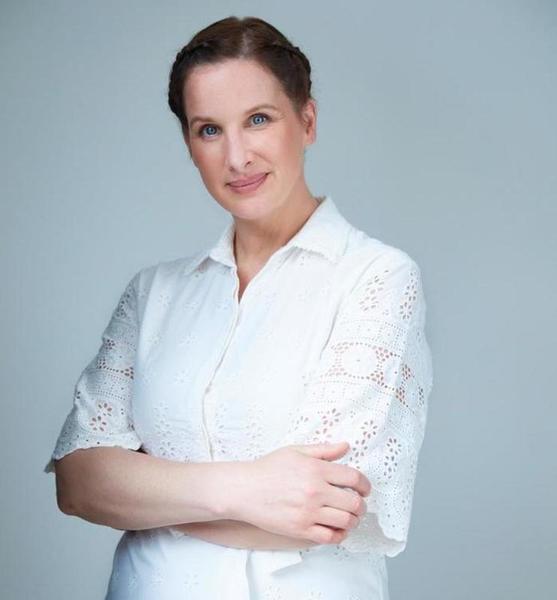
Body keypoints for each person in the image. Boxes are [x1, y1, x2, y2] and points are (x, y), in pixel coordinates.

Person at [44, 15, 433, 600]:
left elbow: (326, 509)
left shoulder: (375, 278)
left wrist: (145, 495)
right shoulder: (153, 294)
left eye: (258, 119)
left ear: (307, 121)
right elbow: (78, 484)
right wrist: (250, 490)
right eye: (209, 129)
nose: (236, 156)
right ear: (189, 146)